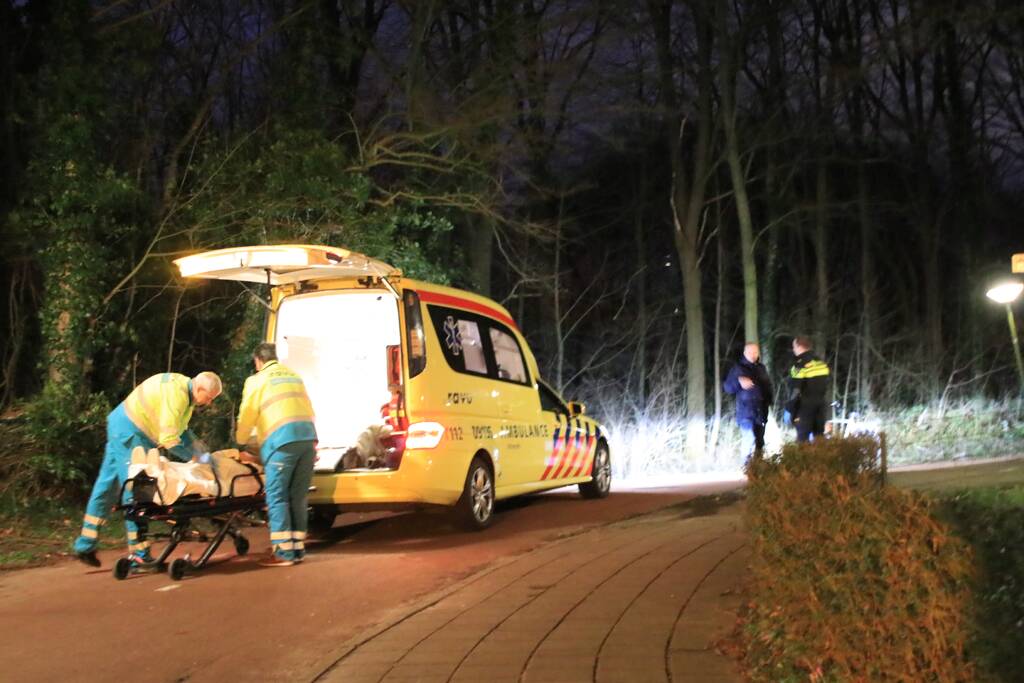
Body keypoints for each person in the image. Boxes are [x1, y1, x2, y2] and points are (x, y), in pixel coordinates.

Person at [74, 371, 223, 567]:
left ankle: (85, 544)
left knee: (107, 485)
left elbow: (183, 432)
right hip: (132, 432)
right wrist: (195, 458)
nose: (209, 403)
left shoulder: (183, 392)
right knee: (137, 489)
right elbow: (169, 440)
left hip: (123, 425)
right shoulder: (177, 396)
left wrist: (201, 450)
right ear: (200, 388)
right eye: (209, 398)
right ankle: (139, 553)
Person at [236, 342, 317, 567]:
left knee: (277, 496)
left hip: (282, 443)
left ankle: (283, 553)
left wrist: (240, 441)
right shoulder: (294, 376)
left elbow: (247, 415)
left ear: (257, 361)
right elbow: (309, 408)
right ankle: (297, 548)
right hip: (308, 439)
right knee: (298, 496)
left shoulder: (256, 380)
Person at [723, 342, 773, 461]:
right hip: (746, 411)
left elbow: (768, 386)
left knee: (760, 442)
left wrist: (769, 401)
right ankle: (745, 466)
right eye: (750, 352)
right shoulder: (738, 368)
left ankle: (758, 469)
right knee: (749, 438)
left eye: (755, 352)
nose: (753, 355)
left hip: (761, 411)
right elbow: (727, 387)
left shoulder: (761, 368)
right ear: (745, 353)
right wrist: (738, 382)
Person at [785, 335, 831, 442]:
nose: (793, 350)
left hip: (804, 409)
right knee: (819, 440)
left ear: (799, 347)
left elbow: (795, 390)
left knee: (802, 442)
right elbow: (826, 387)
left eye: (794, 347)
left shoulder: (798, 366)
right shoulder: (822, 364)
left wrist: (789, 408)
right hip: (820, 407)